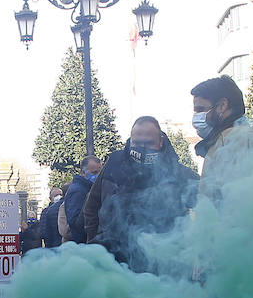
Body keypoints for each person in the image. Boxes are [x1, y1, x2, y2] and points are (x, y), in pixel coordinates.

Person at [83, 116, 198, 272]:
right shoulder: (114, 163)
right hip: (113, 258)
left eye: (149, 143)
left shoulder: (179, 174)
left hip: (159, 264)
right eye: (137, 143)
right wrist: (96, 240)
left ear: (161, 141)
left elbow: (208, 205)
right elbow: (91, 205)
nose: (142, 148)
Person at [191, 75, 253, 196]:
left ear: (222, 106)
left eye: (200, 109)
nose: (196, 117)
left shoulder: (230, 140)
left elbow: (225, 204)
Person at [60, 154, 102, 242]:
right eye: (94, 172)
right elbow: (75, 223)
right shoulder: (78, 191)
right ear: (83, 173)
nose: (98, 175)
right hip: (84, 242)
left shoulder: (86, 188)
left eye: (100, 172)